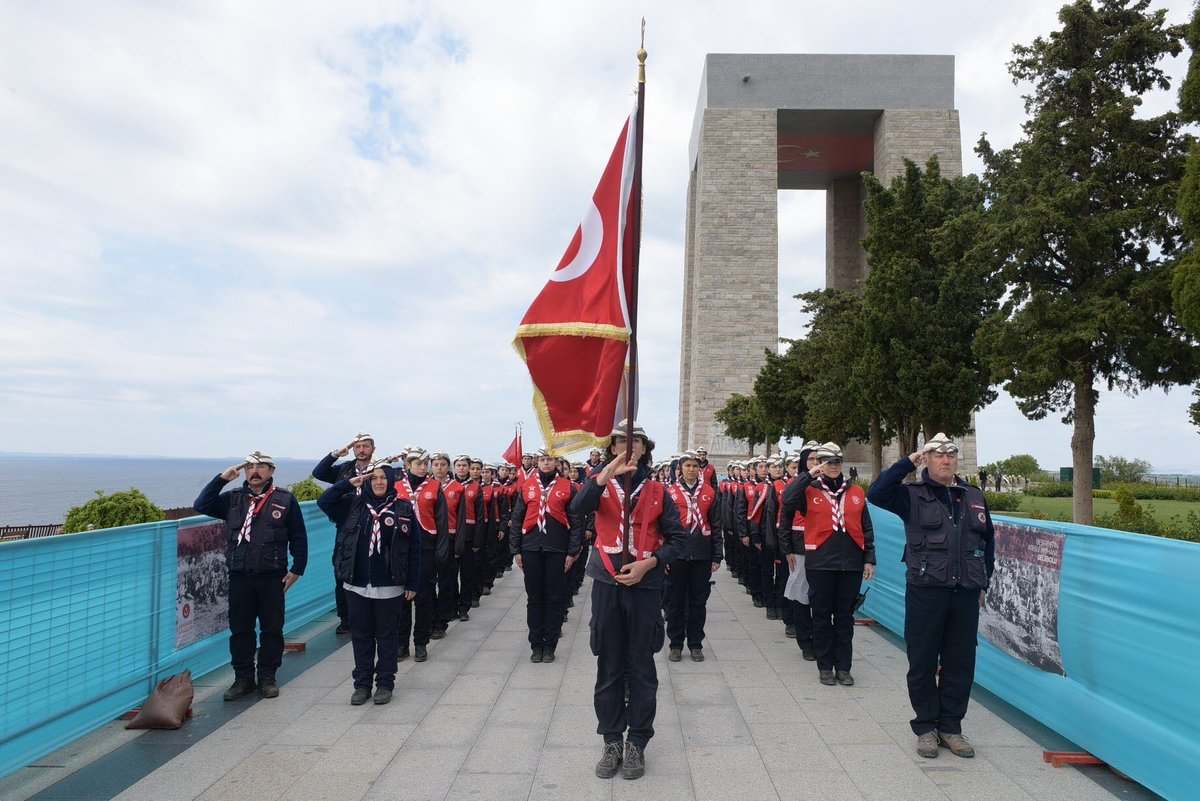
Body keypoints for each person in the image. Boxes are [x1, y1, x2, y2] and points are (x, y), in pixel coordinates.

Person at [867, 433, 995, 760]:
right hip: (926, 591)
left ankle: (951, 726)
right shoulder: (911, 495)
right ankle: (926, 726)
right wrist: (909, 460)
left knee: (960, 663)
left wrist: (983, 584)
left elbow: (987, 545)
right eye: (938, 455)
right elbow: (877, 492)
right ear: (928, 460)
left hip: (964, 593)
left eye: (950, 455)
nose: (945, 460)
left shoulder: (975, 496)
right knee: (922, 660)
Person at [571, 421, 686, 780]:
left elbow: (680, 541)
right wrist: (605, 474)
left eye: (635, 441)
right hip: (606, 582)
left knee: (641, 668)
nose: (628, 446)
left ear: (645, 449)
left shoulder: (657, 490)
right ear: (611, 448)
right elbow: (578, 507)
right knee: (608, 666)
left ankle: (637, 741)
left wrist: (651, 563)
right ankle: (611, 740)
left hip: (645, 587)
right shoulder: (600, 485)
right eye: (621, 441)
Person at [194, 451, 307, 701]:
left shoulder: (285, 499)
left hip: (272, 576)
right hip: (240, 575)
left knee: (272, 628)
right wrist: (222, 479)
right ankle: (242, 678)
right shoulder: (233, 499)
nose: (254, 472)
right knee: (241, 629)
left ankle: (267, 676)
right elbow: (201, 504)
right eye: (249, 468)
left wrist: (297, 568)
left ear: (271, 471)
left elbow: (298, 536)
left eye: (261, 467)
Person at [318, 461, 420, 705]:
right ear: (366, 481)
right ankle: (362, 685)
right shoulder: (352, 505)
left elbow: (415, 549)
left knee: (387, 636)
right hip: (356, 584)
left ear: (390, 481)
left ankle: (385, 683)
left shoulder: (403, 508)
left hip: (390, 585)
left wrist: (413, 584)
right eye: (373, 478)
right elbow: (324, 502)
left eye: (383, 478)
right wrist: (347, 483)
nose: (378, 482)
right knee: (361, 636)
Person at [781, 443, 875, 686]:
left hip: (851, 563)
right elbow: (788, 499)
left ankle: (843, 667)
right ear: (820, 464)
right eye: (827, 462)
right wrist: (808, 475)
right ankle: (824, 666)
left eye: (836, 462)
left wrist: (869, 559)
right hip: (820, 563)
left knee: (844, 618)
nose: (833, 466)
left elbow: (866, 528)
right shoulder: (809, 490)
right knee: (821, 616)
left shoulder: (856, 492)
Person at [509, 449, 584, 662]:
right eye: (542, 459)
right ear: (537, 462)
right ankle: (536, 645)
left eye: (549, 459)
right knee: (534, 599)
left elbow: (576, 522)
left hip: (557, 550)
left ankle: (550, 644)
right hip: (531, 549)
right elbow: (517, 518)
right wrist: (516, 550)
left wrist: (573, 551)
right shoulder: (527, 486)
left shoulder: (567, 487)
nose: (545, 463)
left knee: (554, 598)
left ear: (556, 463)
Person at [312, 432, 377, 635]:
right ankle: (345, 618)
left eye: (365, 446)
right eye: (357, 446)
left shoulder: (380, 470)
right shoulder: (344, 469)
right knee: (342, 573)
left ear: (373, 449)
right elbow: (319, 473)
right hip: (346, 526)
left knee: (370, 570)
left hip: (370, 525)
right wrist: (336, 454)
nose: (361, 450)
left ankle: (369, 615)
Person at [663, 451, 722, 662]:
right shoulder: (670, 492)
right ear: (680, 468)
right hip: (677, 555)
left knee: (698, 602)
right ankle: (676, 644)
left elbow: (716, 524)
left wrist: (717, 555)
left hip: (701, 553)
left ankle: (696, 644)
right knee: (675, 602)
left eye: (695, 466)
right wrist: (663, 557)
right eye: (687, 465)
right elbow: (663, 527)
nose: (691, 469)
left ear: (700, 469)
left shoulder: (709, 492)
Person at [394, 448, 449, 662]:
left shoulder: (435, 487)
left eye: (426, 463)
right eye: (418, 463)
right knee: (401, 600)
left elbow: (442, 522)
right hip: (401, 550)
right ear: (408, 465)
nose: (423, 467)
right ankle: (401, 643)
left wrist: (442, 550)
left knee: (424, 597)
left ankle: (421, 642)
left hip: (426, 547)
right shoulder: (397, 487)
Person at [779, 443, 819, 660]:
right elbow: (785, 517)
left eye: (818, 459)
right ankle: (805, 641)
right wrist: (786, 549)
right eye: (811, 459)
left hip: (824, 548)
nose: (816, 463)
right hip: (800, 545)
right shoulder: (797, 484)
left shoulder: (827, 484)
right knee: (801, 594)